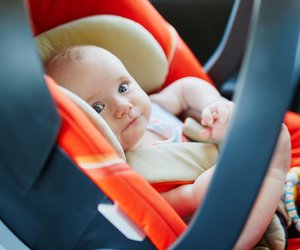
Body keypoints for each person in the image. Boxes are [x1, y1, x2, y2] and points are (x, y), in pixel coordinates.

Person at [44, 45, 290, 249]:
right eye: (97, 108)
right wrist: (223, 175)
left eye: (123, 87)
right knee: (275, 139)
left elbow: (186, 89)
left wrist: (213, 105)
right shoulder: (125, 176)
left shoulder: (156, 108)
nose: (123, 106)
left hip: (243, 181)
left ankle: (271, 177)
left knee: (269, 130)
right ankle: (273, 171)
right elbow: (183, 200)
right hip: (220, 230)